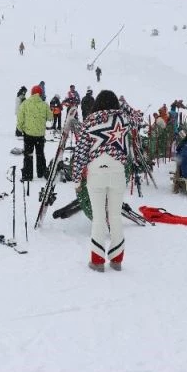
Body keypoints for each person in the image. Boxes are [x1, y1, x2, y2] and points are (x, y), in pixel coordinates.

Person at [71, 90, 143, 272]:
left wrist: (77, 181)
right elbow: (139, 118)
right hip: (118, 173)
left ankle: (97, 261)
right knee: (115, 216)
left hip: (96, 173)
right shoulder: (124, 119)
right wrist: (125, 104)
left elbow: (80, 154)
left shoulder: (90, 122)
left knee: (99, 218)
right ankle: (117, 259)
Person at [17, 85, 53, 181]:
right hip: (40, 135)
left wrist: (20, 129)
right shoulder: (44, 104)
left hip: (28, 134)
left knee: (28, 155)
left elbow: (20, 118)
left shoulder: (25, 103)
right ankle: (41, 172)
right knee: (40, 154)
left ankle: (28, 175)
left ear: (32, 93)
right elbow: (50, 118)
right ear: (40, 94)